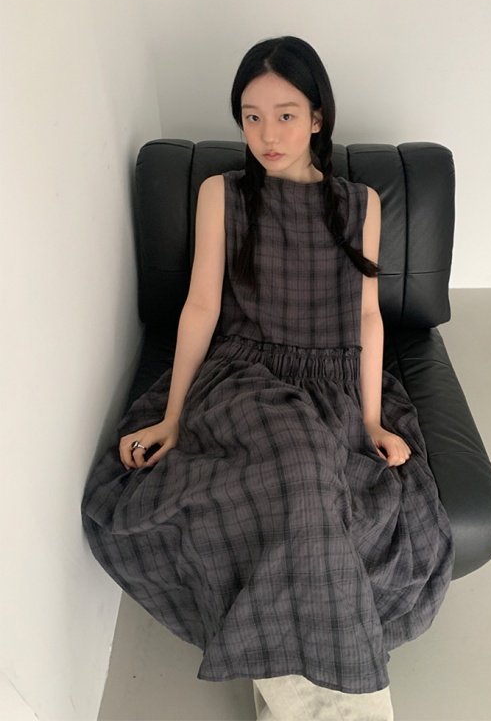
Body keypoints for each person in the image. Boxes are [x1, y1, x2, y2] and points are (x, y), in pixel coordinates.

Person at [81, 36, 455, 721]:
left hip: (334, 379)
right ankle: (334, 701)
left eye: (285, 115)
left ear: (318, 117)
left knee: (321, 486)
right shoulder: (221, 194)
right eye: (251, 117)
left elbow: (367, 316)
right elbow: (200, 308)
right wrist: (172, 415)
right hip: (244, 376)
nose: (267, 135)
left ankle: (306, 693)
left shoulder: (361, 203)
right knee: (301, 475)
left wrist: (372, 419)